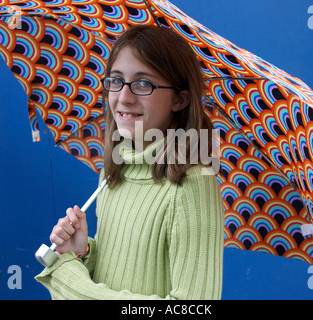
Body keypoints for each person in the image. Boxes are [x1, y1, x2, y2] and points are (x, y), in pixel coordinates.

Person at [35, 25, 224, 300]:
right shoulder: (114, 172)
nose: (124, 97)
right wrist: (84, 254)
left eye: (143, 84)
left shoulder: (191, 185)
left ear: (179, 99)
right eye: (115, 81)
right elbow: (120, 273)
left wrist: (66, 277)